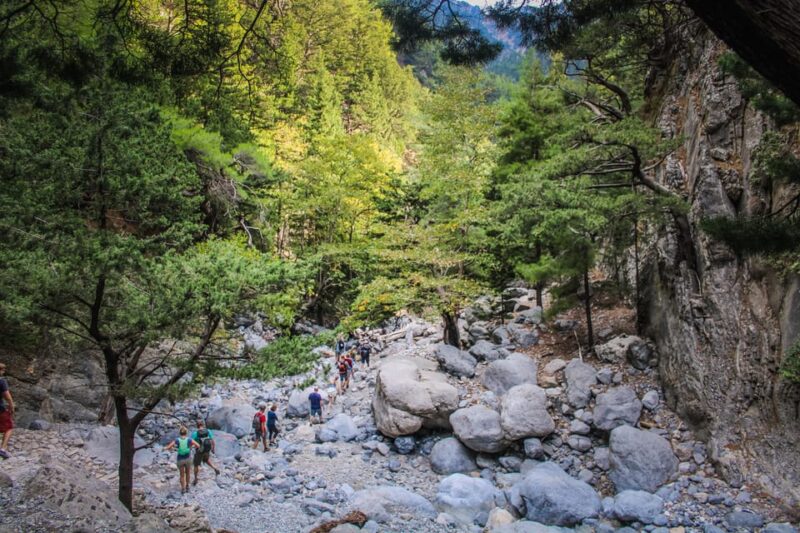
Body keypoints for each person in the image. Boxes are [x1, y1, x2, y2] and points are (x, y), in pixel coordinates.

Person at [164, 426, 199, 494]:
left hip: (180, 459)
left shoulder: (177, 440)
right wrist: (191, 447)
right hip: (188, 459)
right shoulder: (189, 439)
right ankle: (187, 486)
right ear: (186, 433)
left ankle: (183, 488)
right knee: (188, 473)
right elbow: (198, 445)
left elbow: (168, 447)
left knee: (182, 475)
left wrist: (165, 448)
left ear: (180, 433)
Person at [191, 420, 220, 485]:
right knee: (206, 460)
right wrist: (213, 449)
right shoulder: (208, 431)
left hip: (199, 451)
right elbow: (212, 441)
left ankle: (195, 479)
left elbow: (191, 442)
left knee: (196, 465)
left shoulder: (195, 433)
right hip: (207, 449)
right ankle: (215, 468)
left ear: (197, 426)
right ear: (203, 425)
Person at [0, 363, 14, 460]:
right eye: (3, 370)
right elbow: (8, 397)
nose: (3, 372)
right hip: (0, 409)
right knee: (9, 428)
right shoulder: (1, 381)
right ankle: (2, 449)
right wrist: (11, 407)